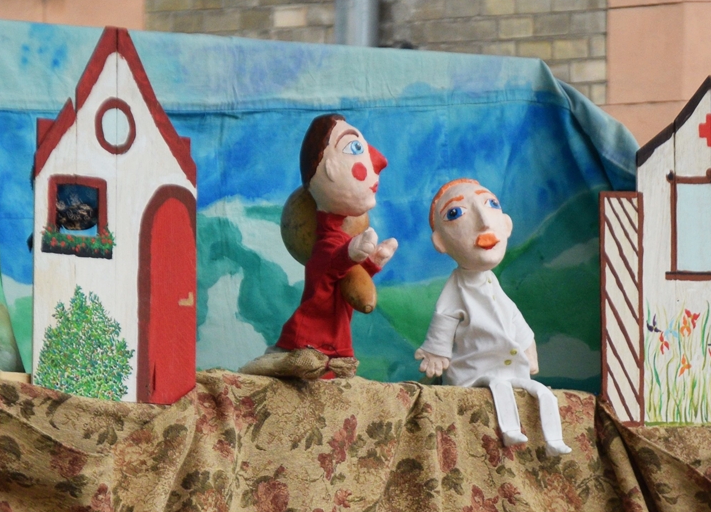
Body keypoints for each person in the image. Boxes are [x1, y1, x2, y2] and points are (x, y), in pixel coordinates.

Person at [415, 178, 571, 456]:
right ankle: (510, 431)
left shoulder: (493, 284)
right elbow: (444, 317)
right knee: (498, 386)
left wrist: (528, 349)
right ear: (440, 242)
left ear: (507, 225)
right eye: (456, 213)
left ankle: (554, 440)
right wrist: (436, 351)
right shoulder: (457, 287)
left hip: (511, 368)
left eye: (491, 204)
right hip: (473, 372)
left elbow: (514, 318)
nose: (484, 221)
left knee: (543, 392)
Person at [240, 114, 397, 379]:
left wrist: (370, 263)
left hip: (334, 348)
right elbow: (330, 264)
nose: (379, 160)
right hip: (308, 343)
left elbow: (346, 281)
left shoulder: (341, 242)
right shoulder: (327, 245)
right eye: (355, 147)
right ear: (329, 168)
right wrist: (352, 253)